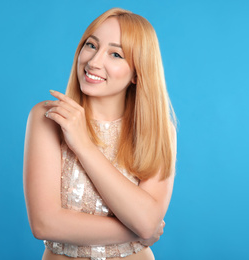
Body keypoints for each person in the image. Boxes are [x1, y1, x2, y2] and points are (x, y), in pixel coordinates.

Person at [23, 7, 177, 260]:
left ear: (138, 73)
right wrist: (137, 231)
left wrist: (83, 145)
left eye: (116, 54)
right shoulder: (48, 117)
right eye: (91, 45)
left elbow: (149, 220)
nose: (94, 62)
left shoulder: (159, 131)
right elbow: (44, 224)